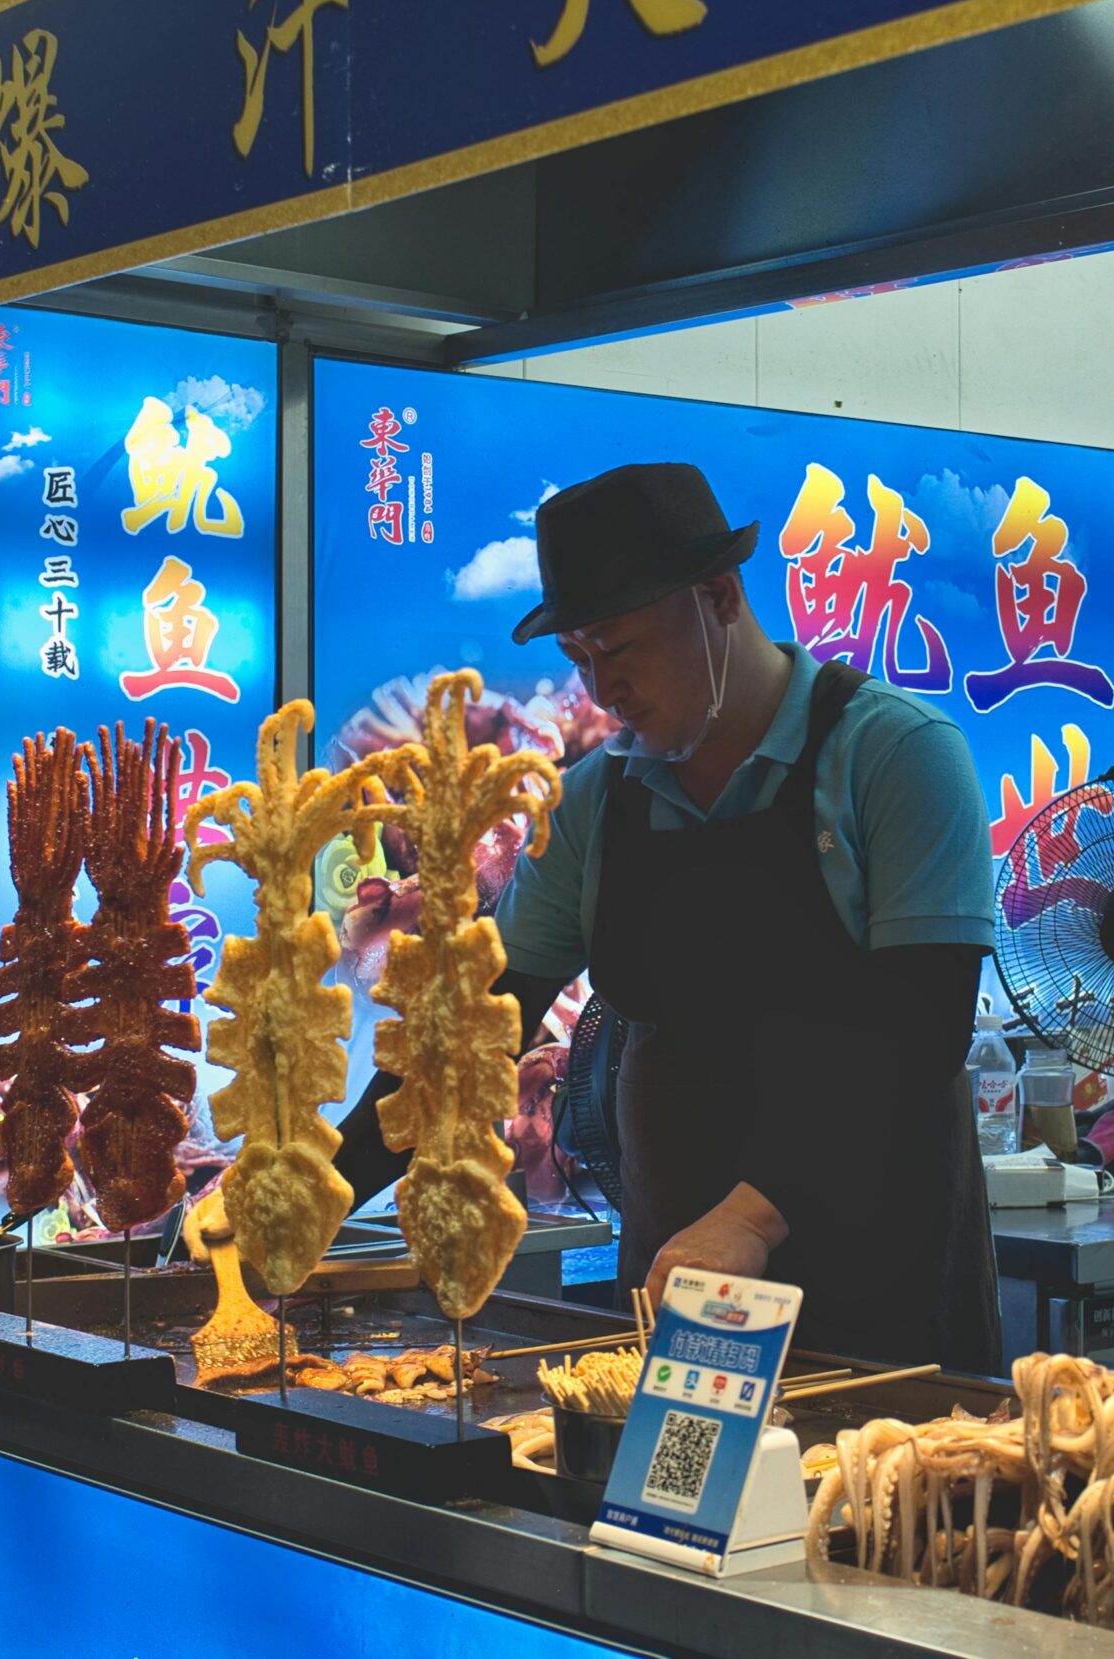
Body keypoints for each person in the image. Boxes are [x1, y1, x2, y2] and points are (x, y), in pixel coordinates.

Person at [336, 461, 1003, 1371]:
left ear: (719, 596)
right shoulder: (594, 804)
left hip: (882, 1279)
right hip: (679, 1280)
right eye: (580, 660)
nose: (603, 689)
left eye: (620, 650)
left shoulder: (896, 756)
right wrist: (318, 1187)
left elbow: (922, 1027)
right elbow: (471, 1033)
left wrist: (750, 1219)